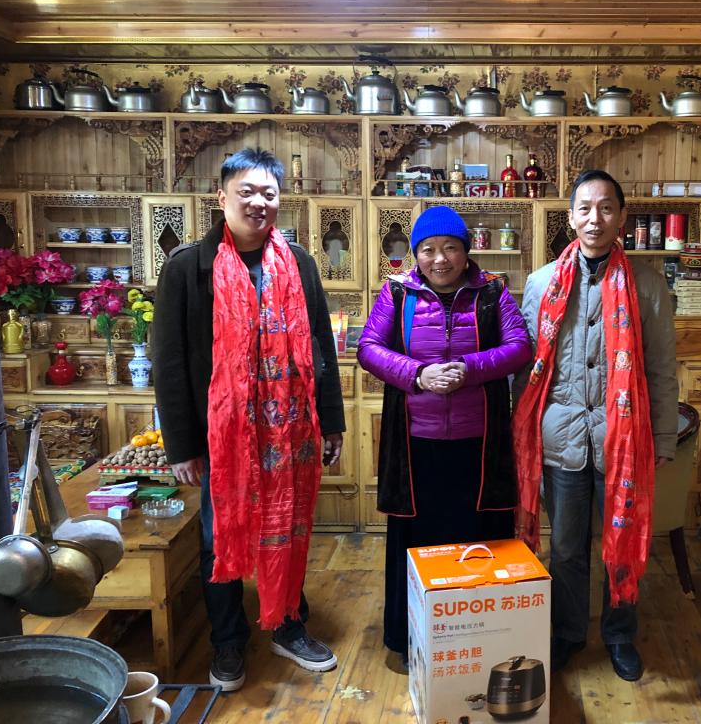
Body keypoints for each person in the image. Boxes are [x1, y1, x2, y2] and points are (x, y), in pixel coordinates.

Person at [152, 148, 345, 692]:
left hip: (290, 429)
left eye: (268, 193)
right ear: (222, 198)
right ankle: (228, 640)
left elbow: (320, 345)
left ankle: (288, 624)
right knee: (220, 537)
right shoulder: (187, 267)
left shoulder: (298, 262)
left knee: (290, 527)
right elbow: (169, 361)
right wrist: (181, 445)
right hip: (225, 436)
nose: (259, 202)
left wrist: (331, 421)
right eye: (247, 192)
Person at [513, 169, 678, 682]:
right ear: (570, 217)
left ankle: (619, 633)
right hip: (560, 437)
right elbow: (526, 368)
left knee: (621, 542)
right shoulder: (541, 283)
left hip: (622, 439)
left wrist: (664, 437)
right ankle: (567, 632)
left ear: (622, 217)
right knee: (565, 547)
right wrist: (520, 434)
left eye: (606, 208)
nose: (595, 219)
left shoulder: (647, 285)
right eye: (584, 208)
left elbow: (661, 368)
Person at [357, 205, 532, 666]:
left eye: (450, 248)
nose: (440, 259)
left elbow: (519, 347)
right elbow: (369, 348)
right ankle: (409, 641)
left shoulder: (492, 292)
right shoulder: (397, 292)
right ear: (416, 254)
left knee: (480, 540)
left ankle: (483, 643)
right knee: (418, 541)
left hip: (480, 444)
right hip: (417, 445)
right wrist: (419, 374)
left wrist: (468, 370)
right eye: (429, 249)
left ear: (465, 251)